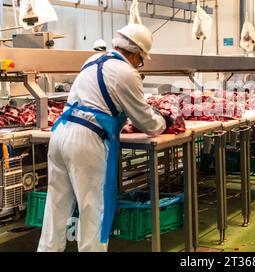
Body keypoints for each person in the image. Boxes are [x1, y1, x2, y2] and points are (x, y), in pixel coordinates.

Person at [38, 24, 171, 252]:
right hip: (86, 140)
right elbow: (145, 121)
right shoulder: (126, 73)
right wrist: (164, 121)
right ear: (135, 53)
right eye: (141, 59)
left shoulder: (92, 60)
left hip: (60, 133)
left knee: (56, 206)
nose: (140, 64)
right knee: (93, 209)